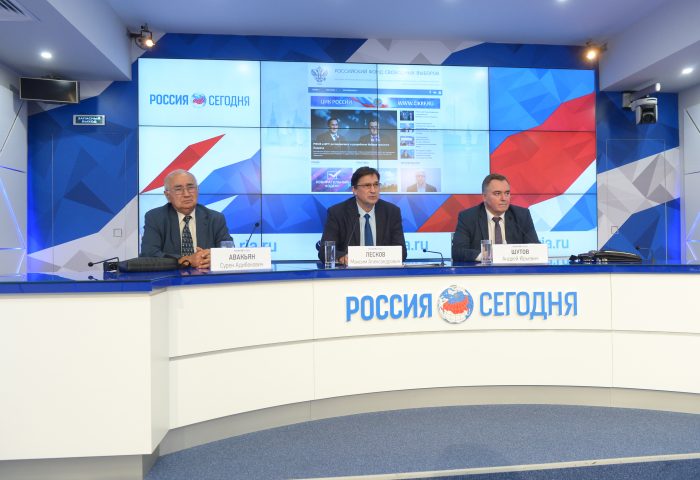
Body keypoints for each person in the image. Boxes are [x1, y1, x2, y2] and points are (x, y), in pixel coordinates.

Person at [141, 169, 233, 268]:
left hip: (206, 275)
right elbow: (149, 254)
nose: (186, 194)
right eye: (178, 189)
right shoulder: (155, 217)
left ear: (198, 190)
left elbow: (229, 252)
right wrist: (187, 260)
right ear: (167, 195)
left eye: (191, 187)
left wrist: (214, 257)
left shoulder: (215, 218)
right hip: (171, 276)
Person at [319, 166, 407, 264]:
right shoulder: (338, 213)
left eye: (376, 185)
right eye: (367, 185)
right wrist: (342, 258)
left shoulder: (391, 212)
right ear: (354, 190)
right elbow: (324, 251)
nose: (373, 190)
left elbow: (402, 252)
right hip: (350, 272)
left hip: (382, 271)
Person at [451, 173, 539, 262]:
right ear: (484, 197)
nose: (504, 198)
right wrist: (488, 256)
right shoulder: (468, 217)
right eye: (497, 194)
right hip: (482, 270)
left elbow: (536, 248)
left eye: (507, 193)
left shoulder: (522, 215)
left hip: (514, 269)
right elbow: (457, 251)